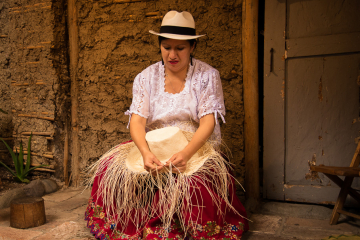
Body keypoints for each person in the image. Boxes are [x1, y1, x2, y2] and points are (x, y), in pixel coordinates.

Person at [85, 10, 249, 240]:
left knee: (195, 186)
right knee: (108, 171)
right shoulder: (145, 78)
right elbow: (137, 121)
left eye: (180, 48)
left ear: (192, 47)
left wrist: (186, 154)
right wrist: (144, 152)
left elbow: (208, 122)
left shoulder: (207, 76)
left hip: (196, 149)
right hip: (155, 146)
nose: (172, 54)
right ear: (160, 45)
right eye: (166, 47)